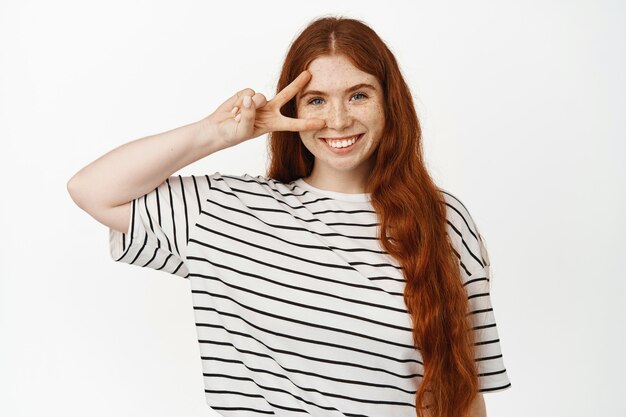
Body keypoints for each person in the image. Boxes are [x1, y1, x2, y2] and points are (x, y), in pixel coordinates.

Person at [67, 16, 510, 417]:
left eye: (359, 95)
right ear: (292, 110)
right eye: (316, 100)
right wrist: (216, 133)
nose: (338, 120)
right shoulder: (229, 213)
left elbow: (463, 396)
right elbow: (92, 190)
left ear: (390, 103)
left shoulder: (444, 221)